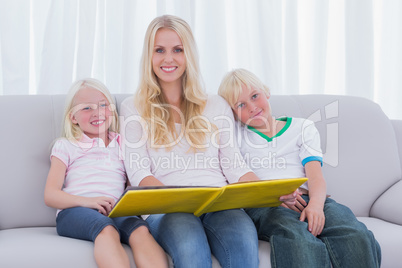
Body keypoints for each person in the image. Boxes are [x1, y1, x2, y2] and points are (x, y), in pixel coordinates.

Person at [119, 15, 294, 268]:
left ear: (189, 54)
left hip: (218, 203)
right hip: (168, 208)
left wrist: (272, 192)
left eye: (177, 50)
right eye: (159, 50)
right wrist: (179, 198)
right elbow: (138, 172)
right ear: (149, 56)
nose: (169, 59)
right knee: (191, 247)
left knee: (244, 246)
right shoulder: (133, 108)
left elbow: (234, 165)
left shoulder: (216, 105)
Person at [218, 68, 382, 268]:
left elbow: (315, 177)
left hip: (309, 198)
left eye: (255, 96)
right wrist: (274, 194)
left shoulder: (302, 127)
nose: (252, 107)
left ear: (266, 92)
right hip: (268, 205)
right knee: (297, 238)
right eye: (241, 105)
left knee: (356, 234)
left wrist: (315, 205)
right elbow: (241, 175)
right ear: (233, 114)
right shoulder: (237, 136)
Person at [44, 78, 168, 268]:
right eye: (87, 108)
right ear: (73, 117)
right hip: (76, 211)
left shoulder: (122, 144)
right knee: (106, 229)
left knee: (140, 231)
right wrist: (89, 201)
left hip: (115, 210)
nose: (98, 112)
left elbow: (131, 182)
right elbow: (51, 195)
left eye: (103, 105)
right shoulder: (67, 145)